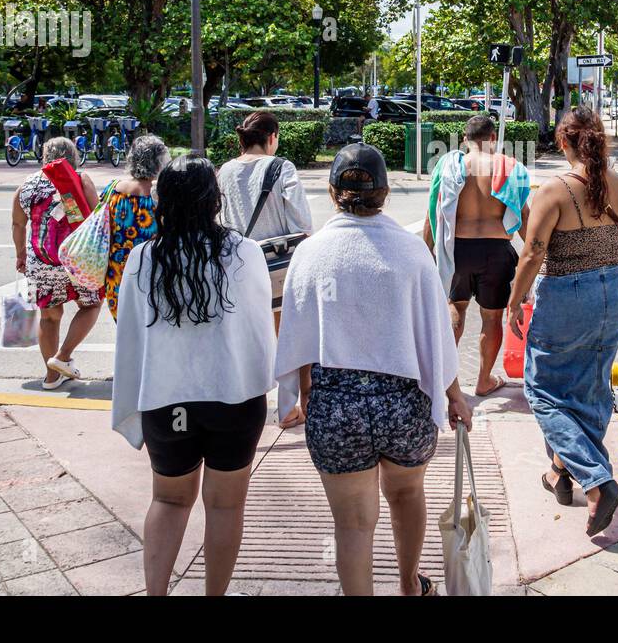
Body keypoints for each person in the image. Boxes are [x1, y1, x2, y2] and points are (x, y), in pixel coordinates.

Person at [275, 144, 472, 596]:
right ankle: (408, 583)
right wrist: (454, 394)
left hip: (335, 404)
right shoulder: (410, 251)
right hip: (404, 404)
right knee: (406, 495)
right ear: (385, 193)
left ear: (331, 192)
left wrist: (305, 393)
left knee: (354, 526)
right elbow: (436, 332)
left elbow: (299, 335)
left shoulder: (312, 252)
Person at [111, 155, 276, 595]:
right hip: (233, 398)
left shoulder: (143, 257)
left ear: (163, 201)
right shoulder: (244, 252)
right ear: (214, 201)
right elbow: (261, 330)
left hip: (168, 401)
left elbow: (128, 338)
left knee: (168, 499)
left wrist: (131, 400)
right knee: (224, 507)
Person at [507, 107, 618, 537]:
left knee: (543, 390)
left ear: (564, 142)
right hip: (617, 291)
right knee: (590, 384)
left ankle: (596, 480)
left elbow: (532, 254)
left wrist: (515, 300)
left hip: (569, 292)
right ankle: (559, 471)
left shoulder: (555, 190)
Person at [217, 110, 314, 427]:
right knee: (286, 335)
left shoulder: (225, 172)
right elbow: (302, 222)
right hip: (278, 266)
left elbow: (219, 221)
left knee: (245, 339)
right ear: (272, 137)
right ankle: (287, 409)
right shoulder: (281, 167)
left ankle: (242, 408)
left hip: (237, 266)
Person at [424, 114, 530, 396]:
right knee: (492, 318)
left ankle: (445, 379)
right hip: (496, 251)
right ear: (493, 138)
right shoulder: (510, 168)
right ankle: (484, 380)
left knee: (455, 308)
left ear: (464, 139)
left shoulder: (449, 167)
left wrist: (427, 252)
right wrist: (536, 256)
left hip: (458, 249)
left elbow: (433, 213)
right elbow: (525, 219)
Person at [11, 137, 102, 390]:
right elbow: (96, 217)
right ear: (73, 156)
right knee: (91, 304)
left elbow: (18, 224)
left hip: (40, 260)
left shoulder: (26, 186)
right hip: (76, 257)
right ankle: (63, 356)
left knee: (49, 317)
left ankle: (51, 377)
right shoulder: (79, 179)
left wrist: (21, 254)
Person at [102, 135, 168, 320]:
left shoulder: (112, 189)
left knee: (125, 332)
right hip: (154, 273)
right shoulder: (160, 194)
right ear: (159, 161)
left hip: (117, 274)